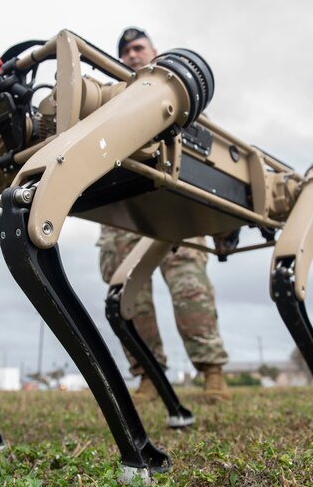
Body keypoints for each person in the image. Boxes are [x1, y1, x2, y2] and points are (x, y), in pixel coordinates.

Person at [97, 27, 230, 404]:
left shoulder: (182, 96)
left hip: (175, 204)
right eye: (125, 51)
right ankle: (148, 375)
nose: (132, 55)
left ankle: (212, 371)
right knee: (128, 294)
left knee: (190, 287)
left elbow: (206, 151)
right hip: (123, 206)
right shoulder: (110, 98)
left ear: (154, 52)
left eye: (138, 48)